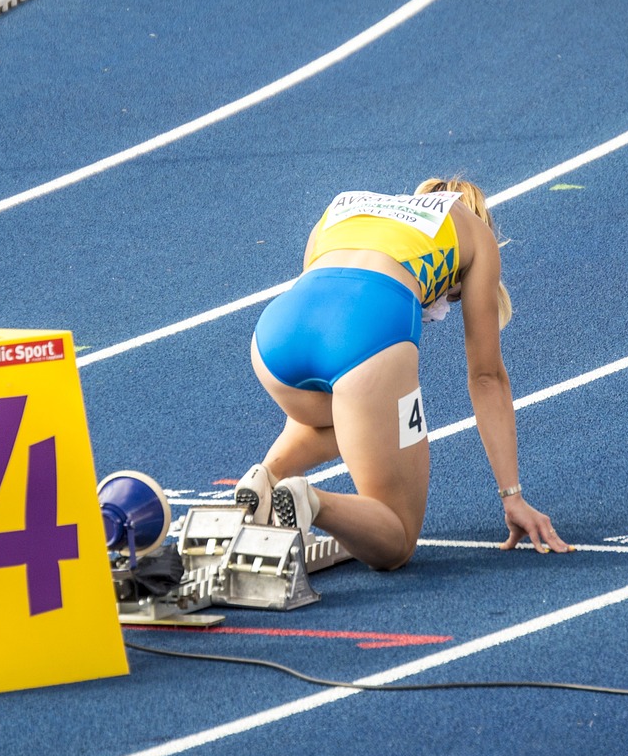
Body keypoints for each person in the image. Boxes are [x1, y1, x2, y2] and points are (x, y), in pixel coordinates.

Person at [234, 178, 572, 570]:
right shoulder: (475, 232)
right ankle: (309, 499)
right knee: (397, 540)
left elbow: (324, 306)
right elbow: (486, 378)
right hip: (366, 326)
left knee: (342, 410)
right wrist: (512, 496)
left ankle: (268, 477)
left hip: (275, 337)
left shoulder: (344, 204)